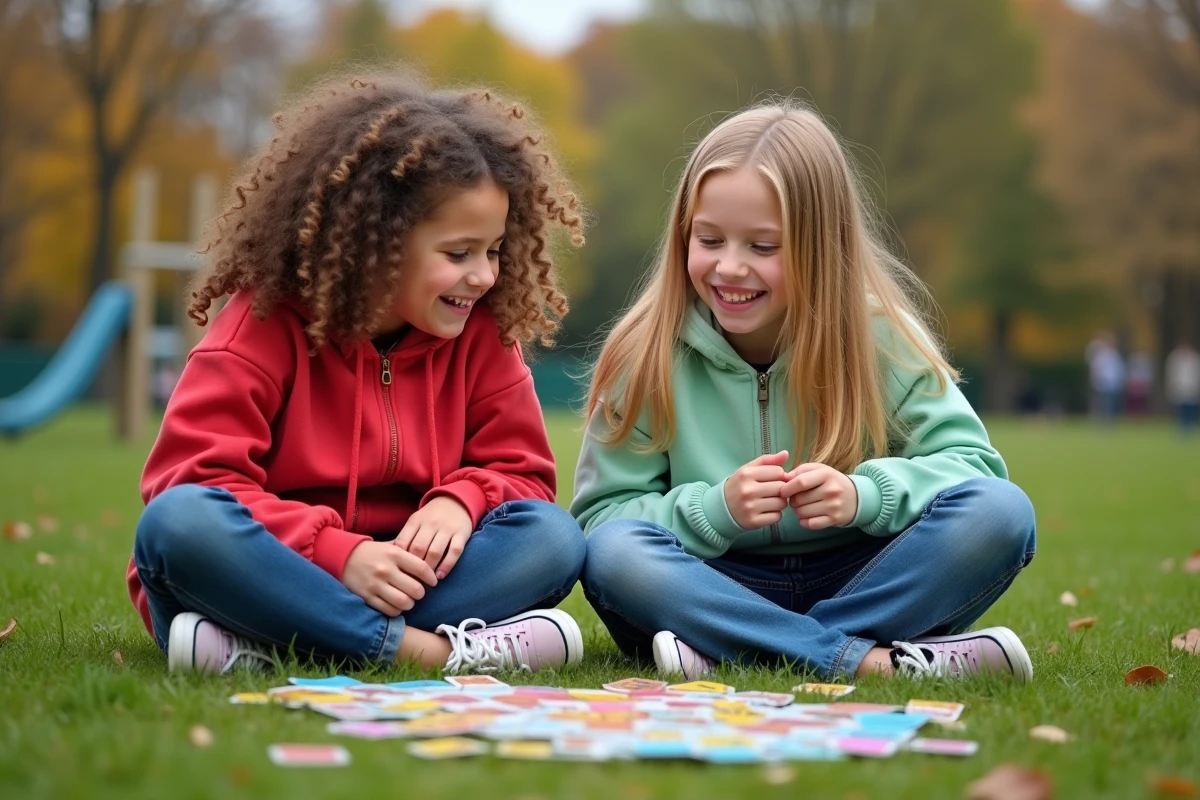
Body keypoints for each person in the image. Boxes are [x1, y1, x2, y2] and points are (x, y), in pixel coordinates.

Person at [126, 71, 588, 676]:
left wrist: (461, 500)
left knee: (551, 539)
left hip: (410, 578)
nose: (485, 277)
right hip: (281, 567)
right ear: (380, 244)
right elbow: (192, 482)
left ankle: (264, 645)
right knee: (177, 524)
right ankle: (425, 653)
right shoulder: (262, 323)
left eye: (494, 250)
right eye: (458, 253)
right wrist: (337, 554)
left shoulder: (483, 334)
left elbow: (524, 475)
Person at [572, 103, 1037, 683]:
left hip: (864, 576)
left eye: (763, 247)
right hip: (713, 581)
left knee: (1001, 514)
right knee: (619, 557)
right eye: (709, 239)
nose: (730, 268)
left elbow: (976, 471)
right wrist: (715, 510)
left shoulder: (881, 338)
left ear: (821, 245)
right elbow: (601, 523)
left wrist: (866, 496)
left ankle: (736, 648)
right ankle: (867, 660)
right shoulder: (645, 353)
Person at [1085, 332, 1124, 422]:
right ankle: (1101, 421)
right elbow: (1096, 368)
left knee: (1111, 404)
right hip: (1103, 383)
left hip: (1112, 383)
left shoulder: (1114, 354)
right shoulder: (1101, 355)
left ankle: (1109, 421)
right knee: (1103, 403)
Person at [1165, 339, 1200, 435]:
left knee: (1191, 409)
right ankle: (1182, 428)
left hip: (1191, 387)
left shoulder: (1195, 358)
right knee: (1181, 409)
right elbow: (1171, 373)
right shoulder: (1175, 358)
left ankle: (1191, 427)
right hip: (1180, 387)